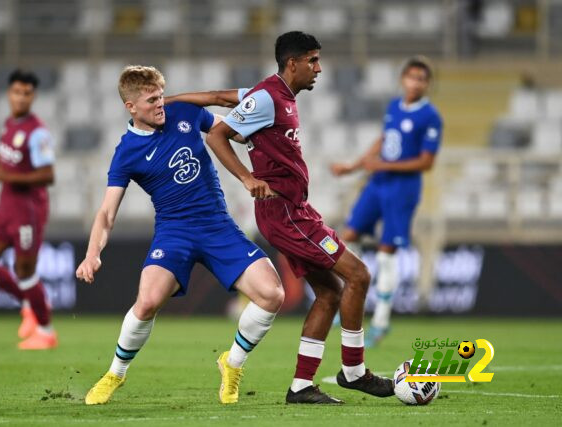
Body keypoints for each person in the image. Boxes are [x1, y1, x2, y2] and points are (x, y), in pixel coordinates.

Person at [175, 31, 394, 404]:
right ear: (293, 63)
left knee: (329, 293)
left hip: (294, 211)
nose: (319, 69)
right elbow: (218, 136)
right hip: (286, 214)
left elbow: (215, 98)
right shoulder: (267, 98)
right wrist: (247, 178)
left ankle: (301, 386)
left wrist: (168, 101)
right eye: (313, 60)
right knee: (358, 275)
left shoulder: (272, 95)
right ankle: (354, 371)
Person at [78, 65, 284, 406]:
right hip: (175, 233)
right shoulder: (126, 152)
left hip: (217, 225)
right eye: (151, 100)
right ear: (131, 107)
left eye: (161, 96)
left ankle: (231, 364)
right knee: (146, 303)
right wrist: (92, 253)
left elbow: (230, 133)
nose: (161, 104)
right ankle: (115, 372)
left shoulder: (185, 112)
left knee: (272, 294)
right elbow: (107, 212)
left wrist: (258, 121)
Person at [330, 56, 443, 348]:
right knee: (349, 236)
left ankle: (380, 320)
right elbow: (383, 141)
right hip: (377, 184)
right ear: (403, 79)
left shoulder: (430, 116)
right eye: (411, 77)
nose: (415, 82)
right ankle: (348, 302)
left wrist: (386, 166)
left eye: (421, 78)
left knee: (385, 251)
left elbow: (426, 162)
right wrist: (354, 166)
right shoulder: (394, 107)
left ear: (427, 84)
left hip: (402, 189)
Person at [0, 69, 57, 350]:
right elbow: (9, 156)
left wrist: (6, 177)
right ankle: (31, 301)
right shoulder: (10, 124)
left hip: (28, 210)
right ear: (9, 94)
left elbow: (47, 175)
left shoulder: (37, 132)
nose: (21, 98)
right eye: (17, 92)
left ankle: (45, 330)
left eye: (27, 93)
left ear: (33, 96)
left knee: (25, 271)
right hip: (5, 208)